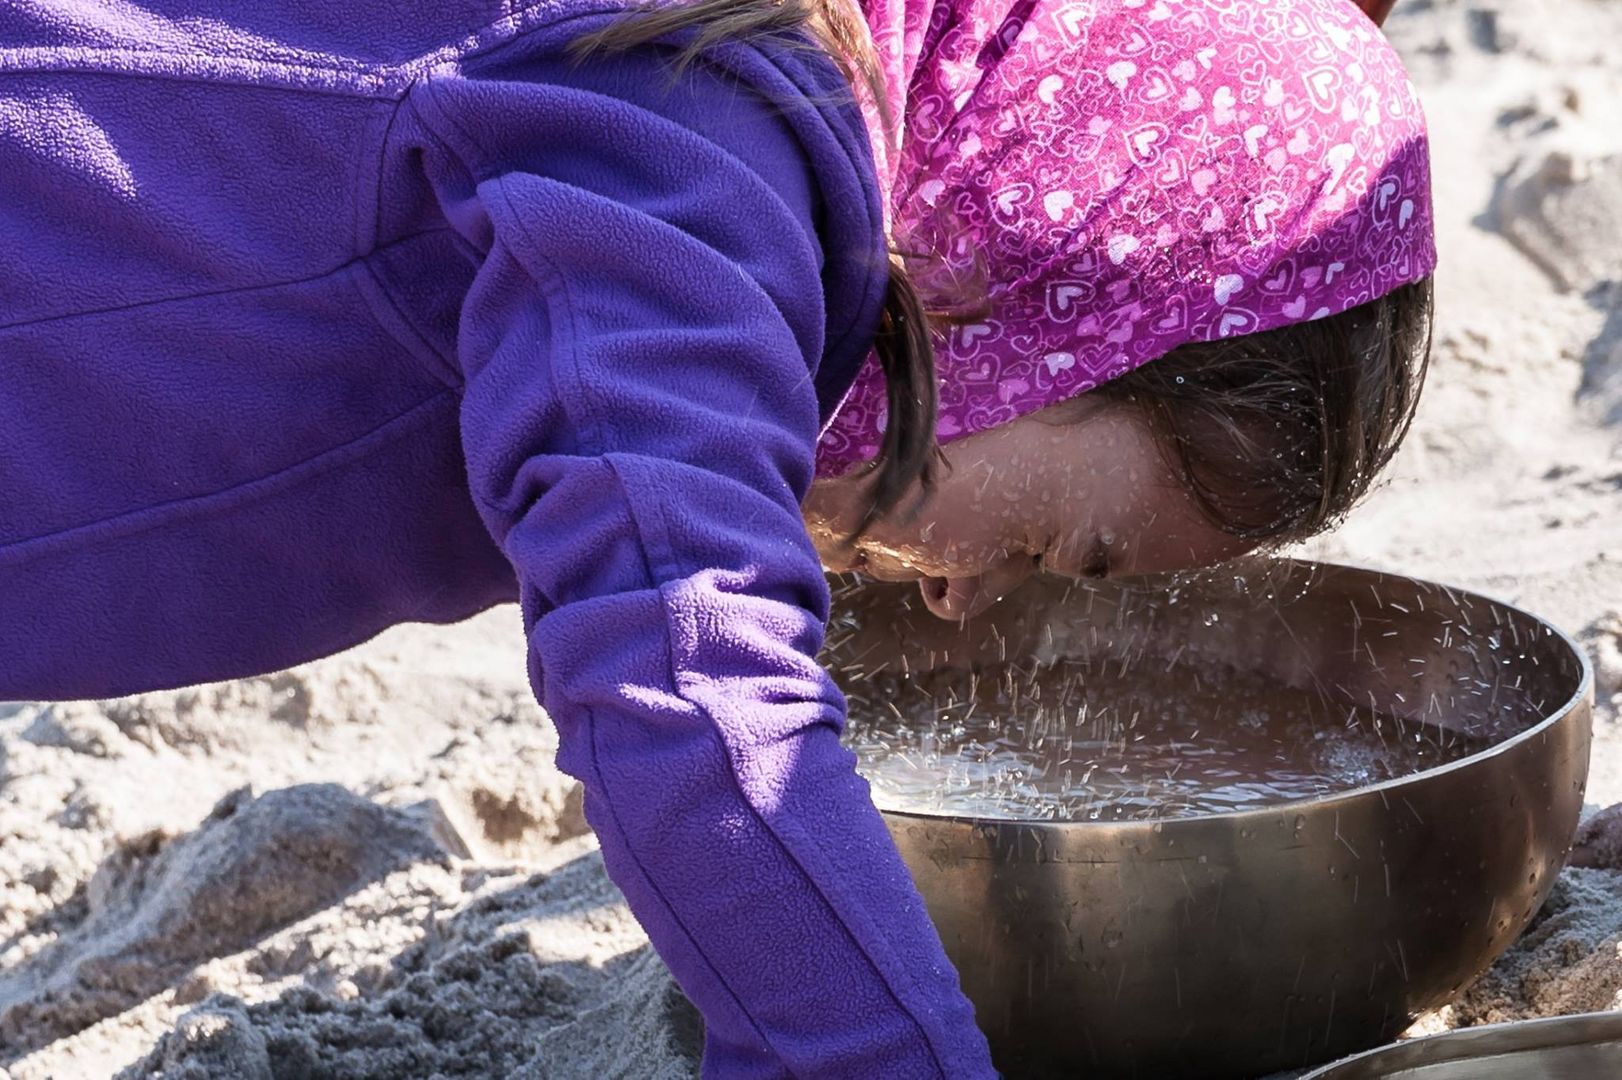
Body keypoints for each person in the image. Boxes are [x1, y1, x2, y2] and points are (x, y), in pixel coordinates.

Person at [0, 1, 1434, 1076]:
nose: (961, 602)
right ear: (1057, 298)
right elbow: (689, 686)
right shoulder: (679, 170)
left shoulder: (769, 141)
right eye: (1067, 548)